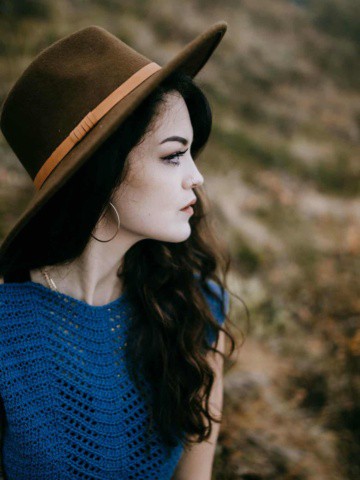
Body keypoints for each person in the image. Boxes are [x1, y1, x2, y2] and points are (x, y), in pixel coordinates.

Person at [0, 22, 236, 479]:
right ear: (103, 171)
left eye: (192, 154)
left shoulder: (193, 308)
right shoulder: (6, 330)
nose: (196, 177)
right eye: (173, 155)